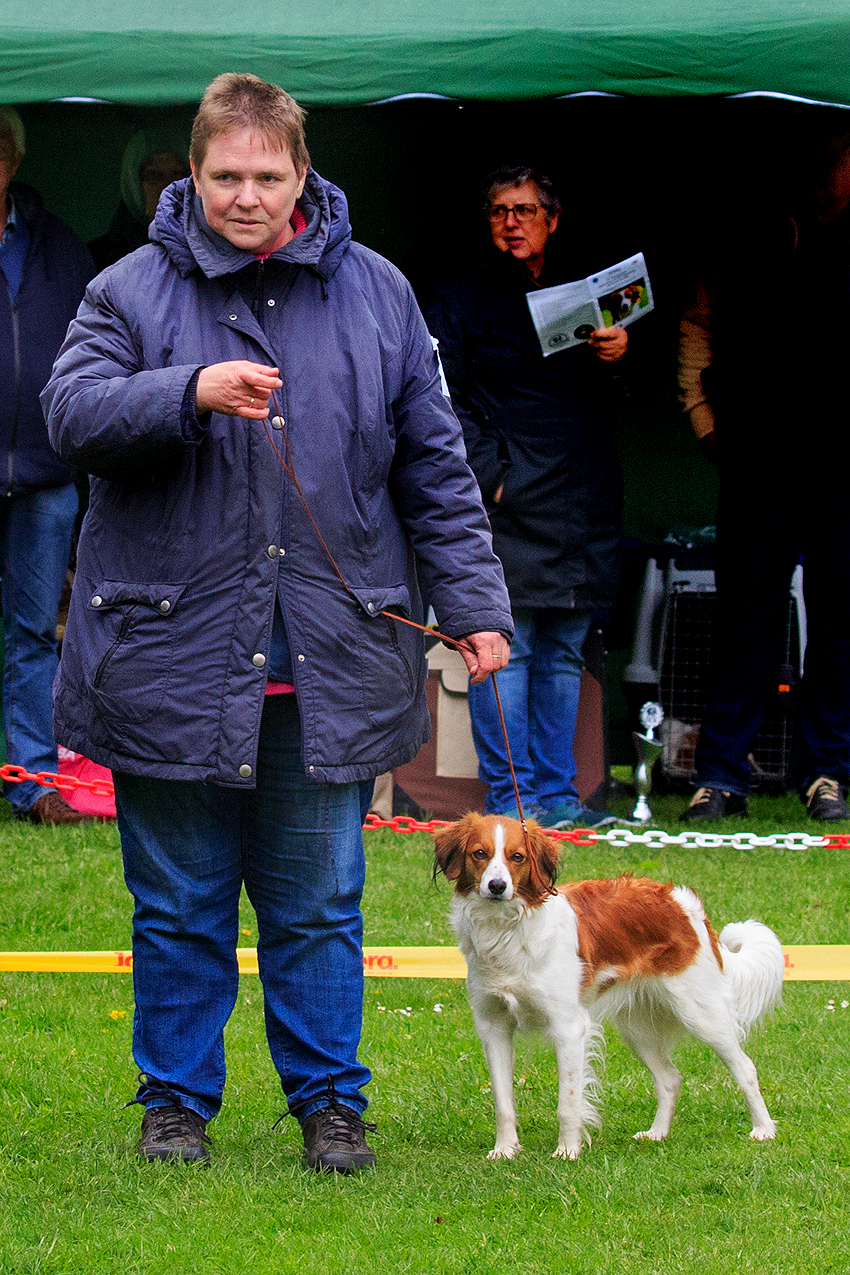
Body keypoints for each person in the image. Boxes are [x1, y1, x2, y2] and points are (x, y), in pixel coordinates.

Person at [43, 73, 512, 1169]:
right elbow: (66, 415)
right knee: (177, 907)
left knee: (319, 905)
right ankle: (174, 1105)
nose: (245, 196)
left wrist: (478, 606)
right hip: (168, 657)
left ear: (303, 175)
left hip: (329, 659)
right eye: (223, 176)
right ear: (191, 176)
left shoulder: (381, 293)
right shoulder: (126, 290)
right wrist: (185, 390)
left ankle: (330, 1106)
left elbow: (435, 469)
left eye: (266, 175)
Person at [425, 166, 627, 830]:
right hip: (506, 495)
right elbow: (436, 392)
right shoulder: (460, 294)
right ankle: (515, 802)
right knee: (508, 647)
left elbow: (620, 402)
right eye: (498, 210)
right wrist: (489, 474)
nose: (512, 221)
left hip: (579, 495)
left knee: (565, 646)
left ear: (554, 218)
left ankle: (561, 801)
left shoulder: (590, 289)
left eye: (526, 209)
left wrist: (617, 354)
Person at [678, 130, 850, 824]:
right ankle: (720, 774)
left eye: (835, 161)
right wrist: (702, 418)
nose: (824, 175)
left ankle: (828, 771)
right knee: (745, 620)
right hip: (757, 462)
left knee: (840, 619)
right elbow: (698, 321)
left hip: (841, 466)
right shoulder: (747, 233)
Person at [0, 105, 95, 825]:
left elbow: (95, 355)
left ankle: (30, 782)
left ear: (17, 157)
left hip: (45, 474)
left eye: (0, 147)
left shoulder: (59, 245)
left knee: (34, 632)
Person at [88, 129, 189, 270]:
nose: (167, 186)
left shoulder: (206, 249)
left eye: (177, 174)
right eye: (153, 175)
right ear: (133, 184)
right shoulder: (103, 259)